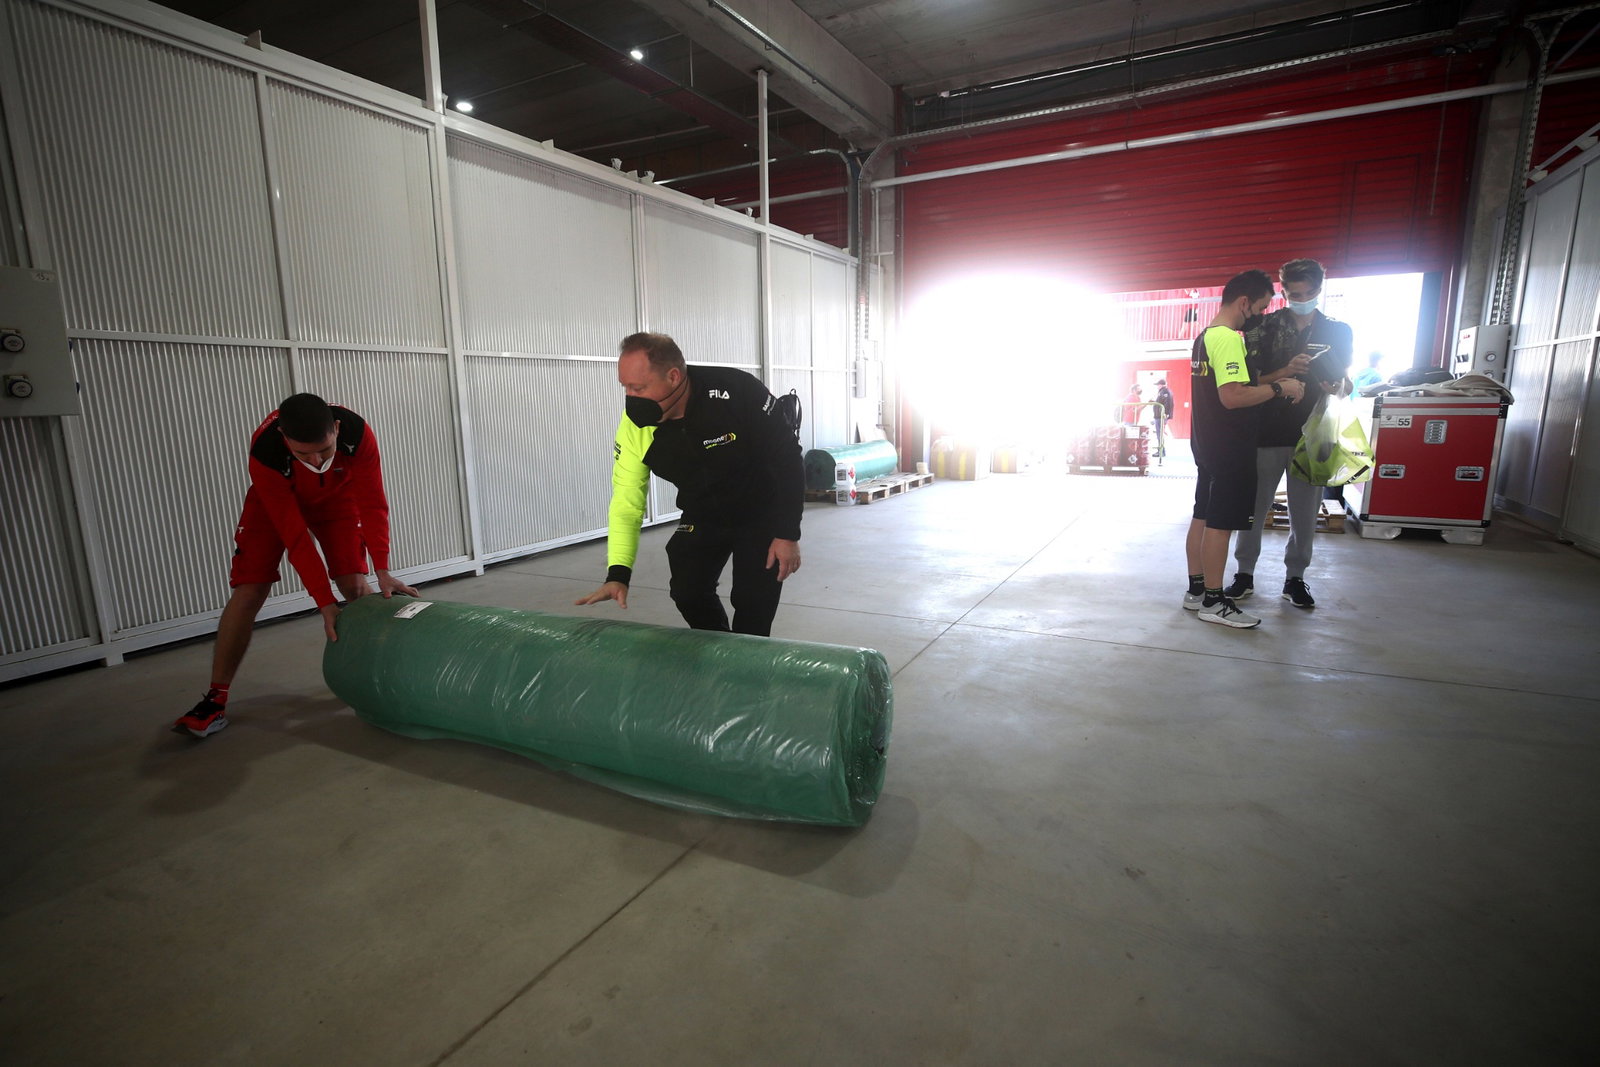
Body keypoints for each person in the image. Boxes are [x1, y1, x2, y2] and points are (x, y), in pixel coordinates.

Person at [171, 393, 417, 738]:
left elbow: (374, 503)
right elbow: (296, 538)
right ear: (286, 440)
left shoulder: (358, 434)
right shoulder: (266, 453)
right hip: (275, 504)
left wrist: (383, 569)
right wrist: (324, 604)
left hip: (337, 500)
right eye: (303, 454)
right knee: (250, 588)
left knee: (355, 585)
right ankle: (215, 699)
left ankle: (376, 679)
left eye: (325, 451)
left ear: (335, 429)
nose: (316, 461)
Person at [575, 331, 803, 636]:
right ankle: (721, 650)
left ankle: (749, 668)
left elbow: (788, 459)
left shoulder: (736, 392)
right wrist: (618, 574)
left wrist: (787, 534)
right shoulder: (634, 430)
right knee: (687, 591)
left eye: (638, 387)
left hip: (760, 512)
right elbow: (626, 502)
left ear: (672, 377)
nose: (631, 398)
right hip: (703, 513)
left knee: (753, 603)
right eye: (625, 388)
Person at [1225, 258, 1353, 610]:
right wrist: (1285, 371)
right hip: (1264, 430)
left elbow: (1347, 384)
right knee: (1253, 507)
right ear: (1283, 291)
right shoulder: (1262, 328)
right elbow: (1246, 381)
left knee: (1305, 511)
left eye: (1308, 293)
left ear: (1319, 290)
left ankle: (1295, 577)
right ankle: (1244, 574)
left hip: (1313, 434)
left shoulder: (1337, 331)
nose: (1301, 298)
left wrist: (1335, 384)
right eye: (1293, 293)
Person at [1183, 270, 1305, 628]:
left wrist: (1276, 378)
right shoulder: (1228, 339)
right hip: (1229, 448)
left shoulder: (1204, 338)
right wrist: (1281, 389)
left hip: (1207, 444)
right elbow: (1234, 396)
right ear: (1243, 302)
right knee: (1221, 525)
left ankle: (1196, 590)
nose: (1262, 315)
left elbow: (1234, 385)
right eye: (1262, 307)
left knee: (1202, 517)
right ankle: (1215, 601)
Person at [1153, 378, 1175, 457]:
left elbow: (1167, 404)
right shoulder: (1164, 392)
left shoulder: (1165, 392)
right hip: (1159, 416)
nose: (1157, 386)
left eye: (1158, 385)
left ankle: (1161, 451)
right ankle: (1161, 451)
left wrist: (1164, 414)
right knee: (1159, 434)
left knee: (1160, 434)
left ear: (1161, 385)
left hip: (1160, 417)